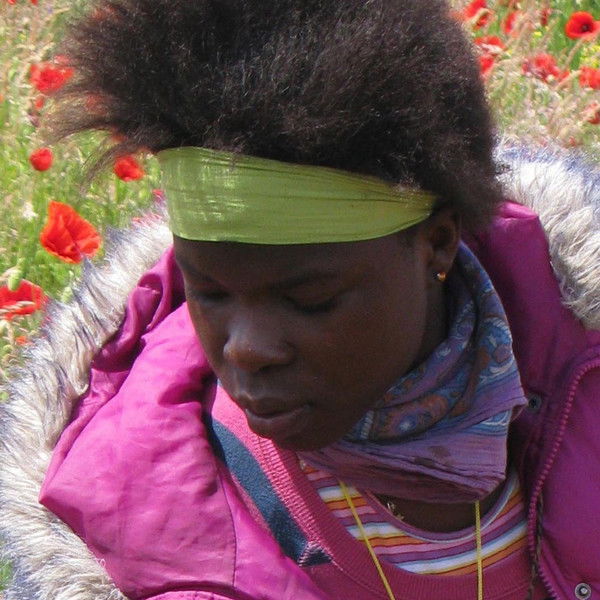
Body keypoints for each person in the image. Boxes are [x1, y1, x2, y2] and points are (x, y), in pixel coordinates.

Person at [0, 0, 599, 599]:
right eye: (208, 292)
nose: (246, 349)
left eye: (310, 299)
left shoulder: (580, 380)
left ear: (437, 244)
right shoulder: (144, 534)